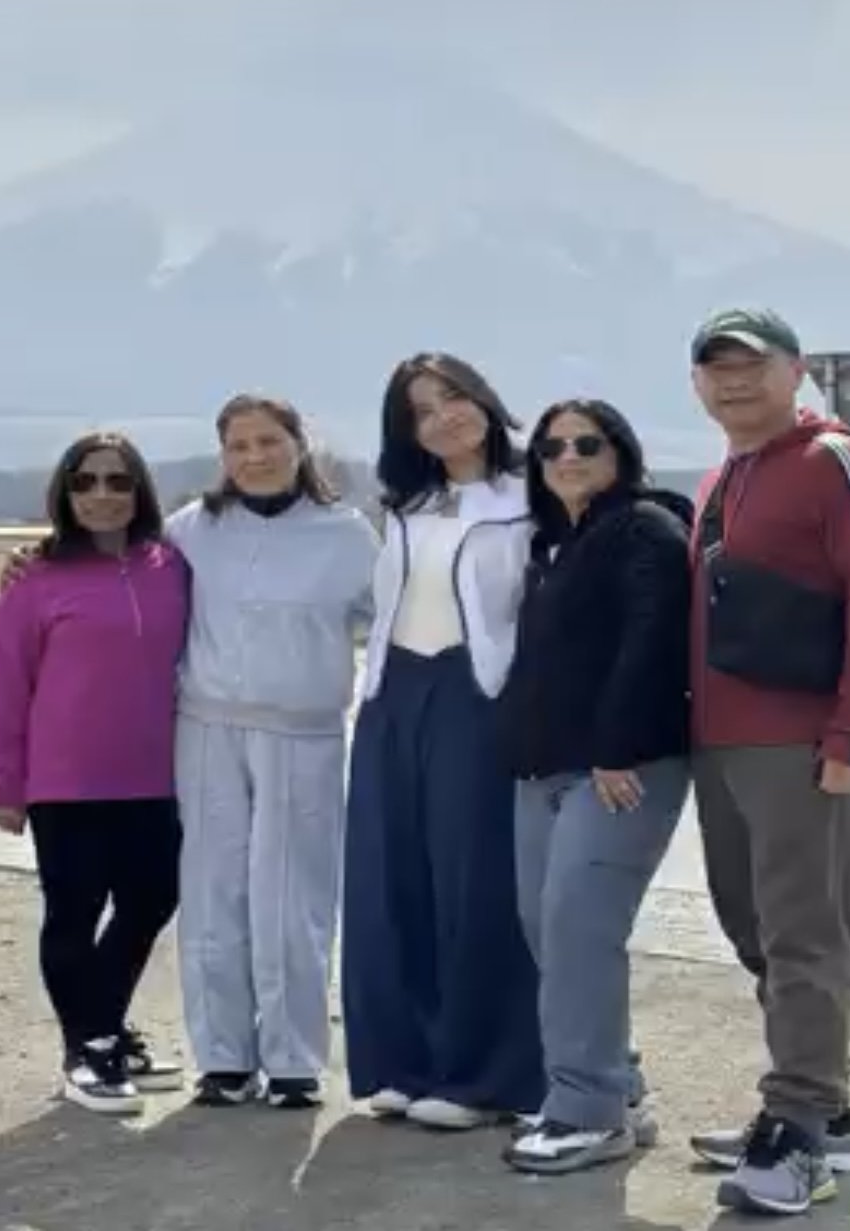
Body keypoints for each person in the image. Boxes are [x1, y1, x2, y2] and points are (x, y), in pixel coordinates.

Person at [685, 307, 850, 1216]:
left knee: (803, 932)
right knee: (752, 925)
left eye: (750, 365)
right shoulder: (723, 474)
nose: (732, 382)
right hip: (721, 739)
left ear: (795, 370)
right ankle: (828, 1112)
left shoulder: (837, 460)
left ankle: (796, 1128)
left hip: (803, 744)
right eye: (714, 368)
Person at [341, 351, 545, 1131]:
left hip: (479, 695)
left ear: (484, 399)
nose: (443, 416)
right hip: (394, 695)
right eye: (422, 410)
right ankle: (404, 1059)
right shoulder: (402, 503)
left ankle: (482, 1075)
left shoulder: (531, 495)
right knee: (391, 881)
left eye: (453, 397)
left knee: (474, 885)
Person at [168, 394, 379, 1108]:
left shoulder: (347, 533)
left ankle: (293, 1057)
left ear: (299, 444)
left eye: (268, 441)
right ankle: (223, 1055)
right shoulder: (191, 530)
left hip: (304, 732)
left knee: (293, 896)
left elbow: (390, 626)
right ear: (221, 454)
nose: (254, 456)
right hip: (206, 727)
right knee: (212, 890)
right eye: (238, 445)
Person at [498, 399, 692, 1175]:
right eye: (550, 447)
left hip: (619, 767)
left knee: (580, 929)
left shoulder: (644, 527)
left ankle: (586, 1110)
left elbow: (655, 637)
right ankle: (619, 1087)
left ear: (621, 449)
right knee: (546, 929)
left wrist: (617, 747)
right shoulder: (556, 543)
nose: (567, 456)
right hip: (544, 766)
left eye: (586, 442)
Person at [0, 432, 190, 1115]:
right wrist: (5, 783)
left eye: (118, 481)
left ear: (140, 491)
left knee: (152, 899)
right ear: (66, 494)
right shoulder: (35, 578)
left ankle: (101, 1025)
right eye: (86, 482)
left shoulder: (171, 565)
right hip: (65, 781)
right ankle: (88, 1046)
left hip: (155, 776)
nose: (102, 495)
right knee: (72, 913)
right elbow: (7, 686)